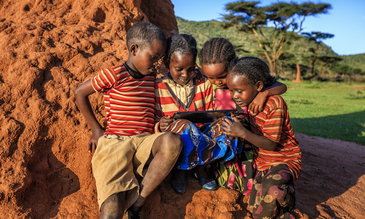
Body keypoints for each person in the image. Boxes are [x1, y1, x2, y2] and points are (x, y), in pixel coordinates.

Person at [74, 21, 183, 219]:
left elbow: (150, 115)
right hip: (116, 143)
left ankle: (137, 203)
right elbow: (79, 92)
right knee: (111, 212)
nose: (157, 64)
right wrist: (96, 130)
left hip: (144, 141)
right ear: (134, 49)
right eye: (153, 57)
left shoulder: (152, 79)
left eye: (160, 59)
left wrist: (159, 126)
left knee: (172, 140)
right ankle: (123, 204)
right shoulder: (114, 74)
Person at [198, 38, 288, 195]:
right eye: (211, 78)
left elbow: (281, 86)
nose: (217, 82)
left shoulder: (244, 81)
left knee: (253, 181)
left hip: (252, 142)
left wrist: (265, 93)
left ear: (233, 66)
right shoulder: (216, 91)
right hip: (229, 142)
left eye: (222, 76)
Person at [222, 57, 302, 219]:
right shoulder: (248, 102)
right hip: (264, 163)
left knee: (266, 205)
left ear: (258, 86)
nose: (234, 96)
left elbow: (272, 144)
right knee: (255, 205)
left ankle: (288, 200)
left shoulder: (274, 104)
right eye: (231, 90)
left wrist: (242, 132)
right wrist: (242, 123)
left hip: (284, 161)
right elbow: (255, 129)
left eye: (238, 90)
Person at [154, 34, 217, 194]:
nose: (185, 74)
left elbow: (211, 113)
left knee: (228, 127)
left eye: (191, 69)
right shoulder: (158, 87)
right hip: (175, 142)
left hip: (202, 138)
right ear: (167, 63)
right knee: (184, 126)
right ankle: (180, 171)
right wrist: (160, 125)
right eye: (179, 69)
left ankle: (201, 169)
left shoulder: (204, 83)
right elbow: (153, 120)